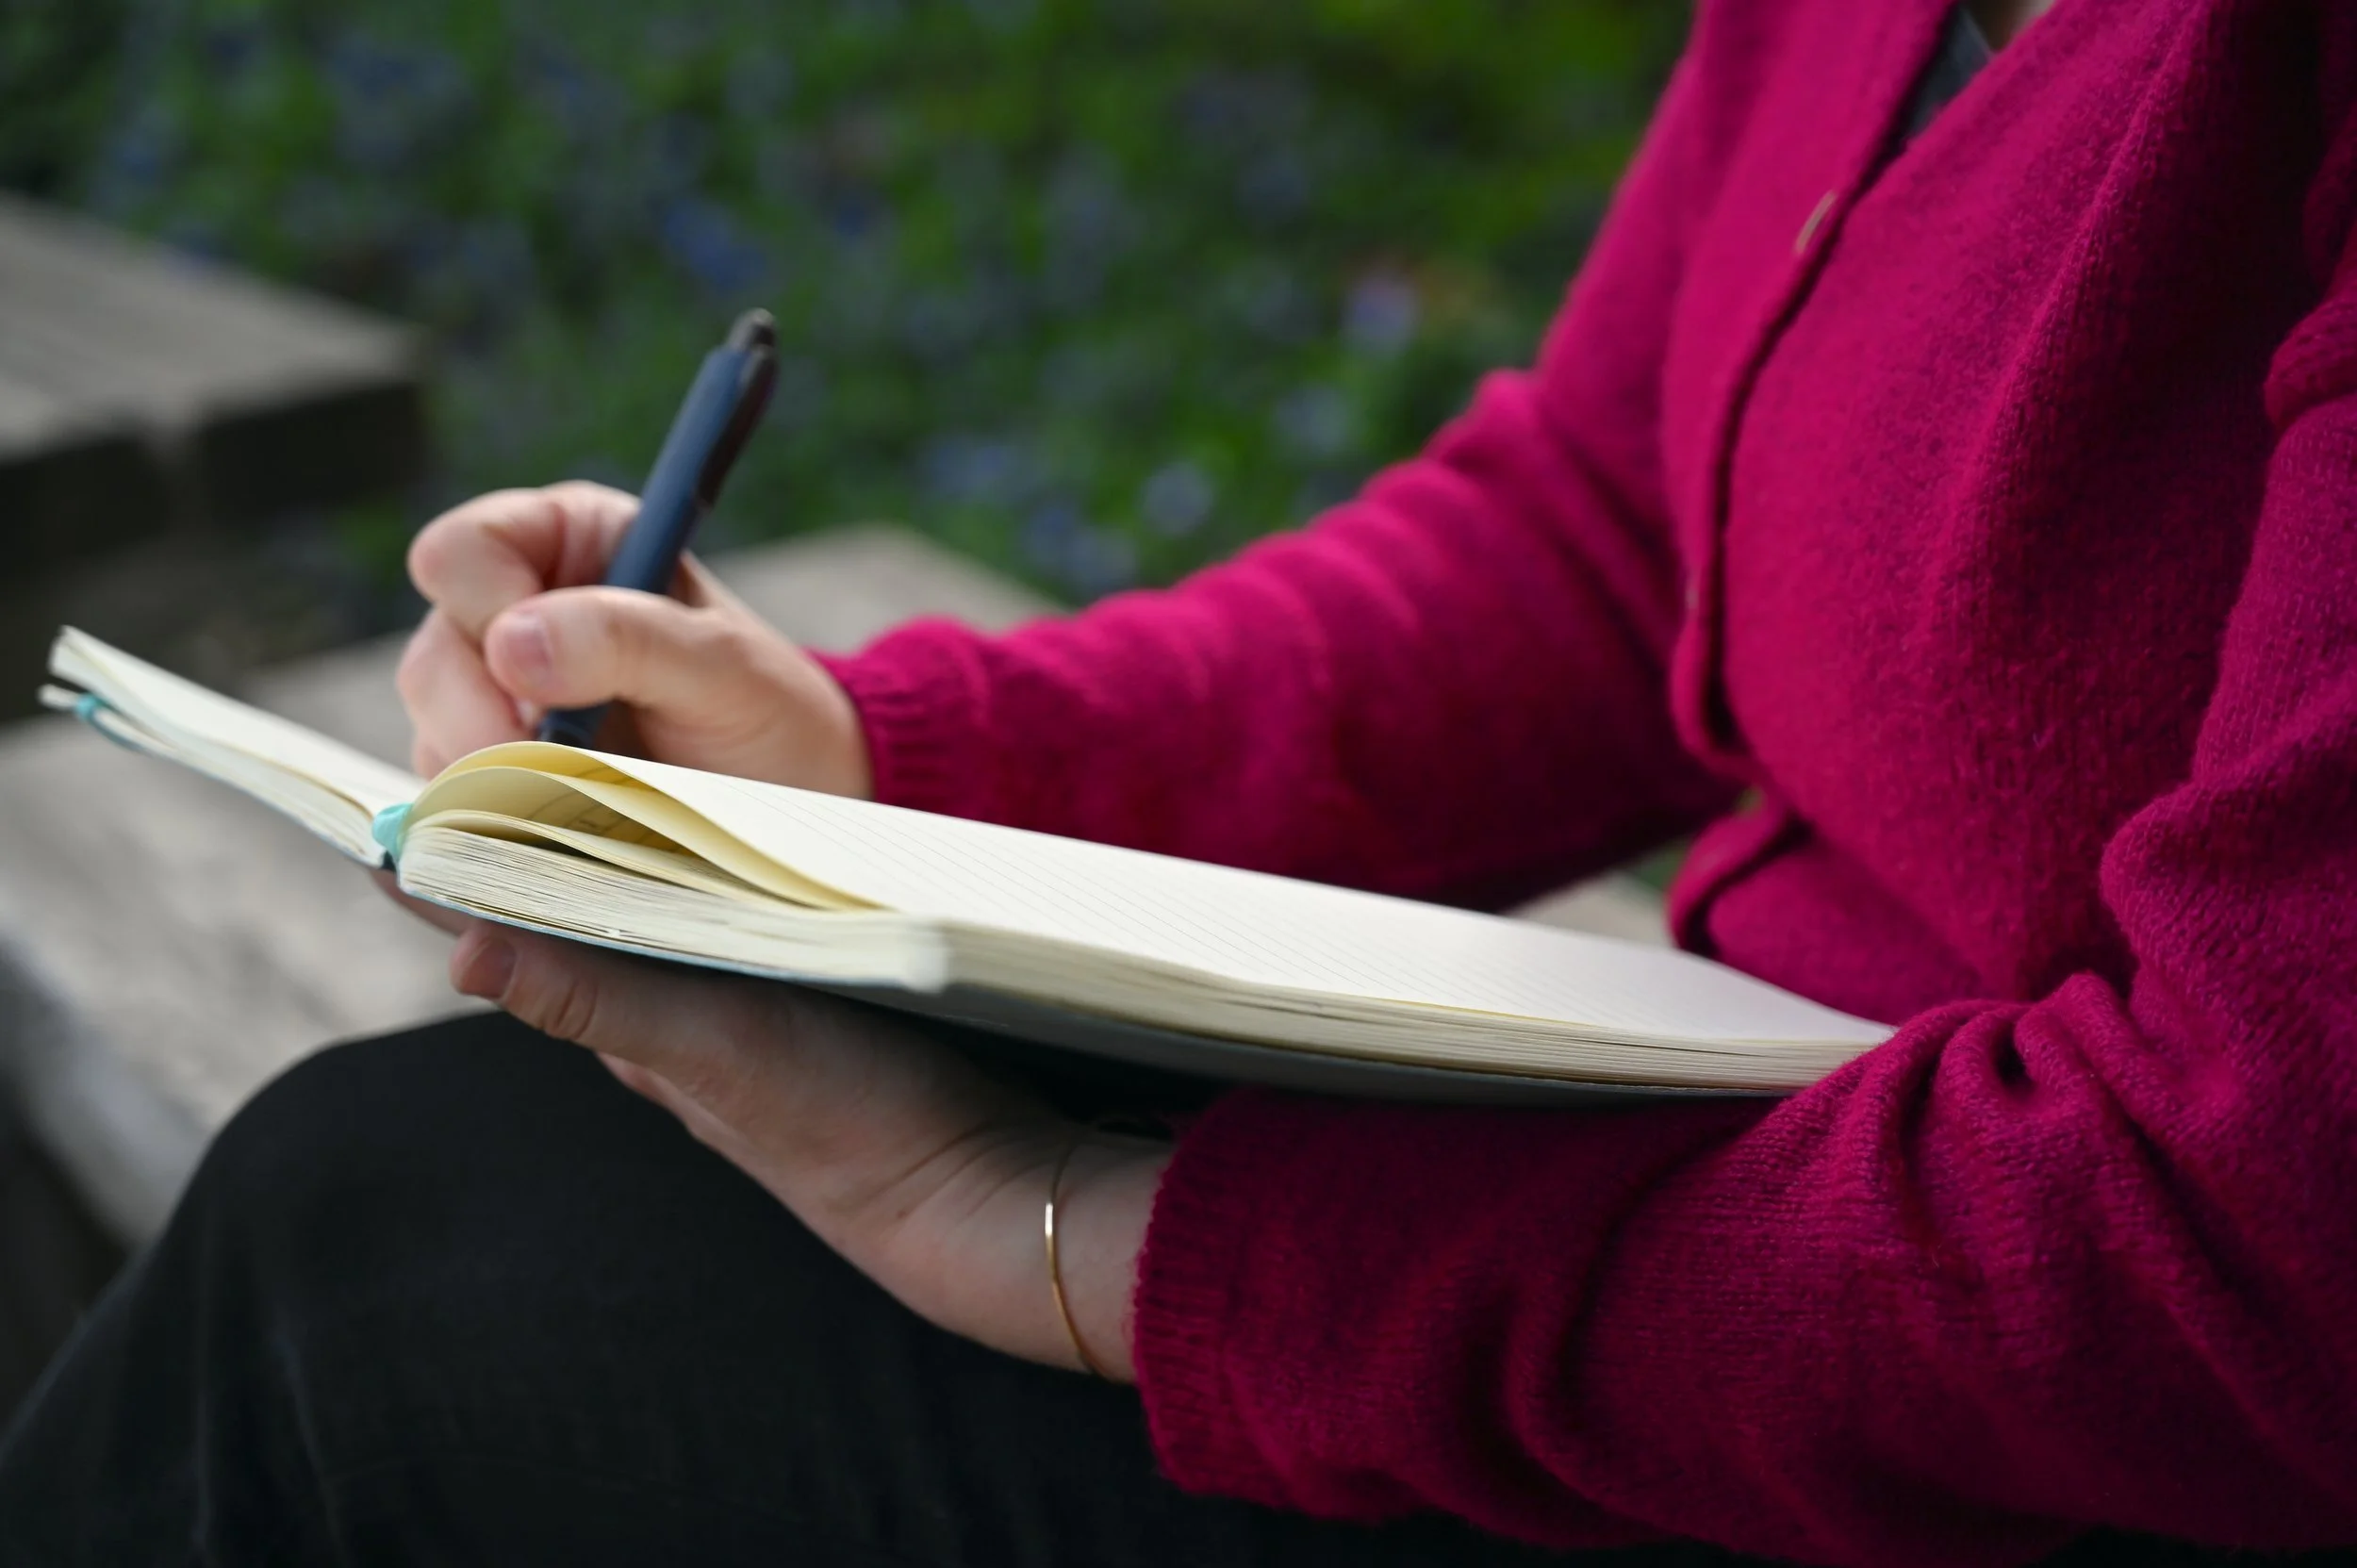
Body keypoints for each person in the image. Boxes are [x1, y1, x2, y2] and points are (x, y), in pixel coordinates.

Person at [8, 0, 2357, 1560]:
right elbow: (1613, 526)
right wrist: (862, 758)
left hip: (1986, 1419)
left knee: (383, 1292)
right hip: (1754, 1209)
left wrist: (1108, 1250)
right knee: (456, 1175)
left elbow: (2252, 1244)